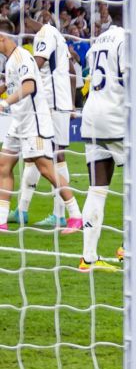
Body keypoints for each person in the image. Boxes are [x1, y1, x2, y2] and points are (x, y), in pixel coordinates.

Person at [0, 18, 82, 234]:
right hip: (19, 121)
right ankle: (2, 221)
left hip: (34, 121)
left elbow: (29, 85)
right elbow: (14, 84)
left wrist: (6, 102)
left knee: (47, 167)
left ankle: (75, 215)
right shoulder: (9, 61)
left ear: (2, 38)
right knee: (3, 166)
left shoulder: (23, 57)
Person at [78, 6, 126, 270]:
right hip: (115, 117)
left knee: (97, 188)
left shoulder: (97, 41)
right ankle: (129, 248)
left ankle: (89, 258)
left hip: (91, 116)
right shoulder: (127, 39)